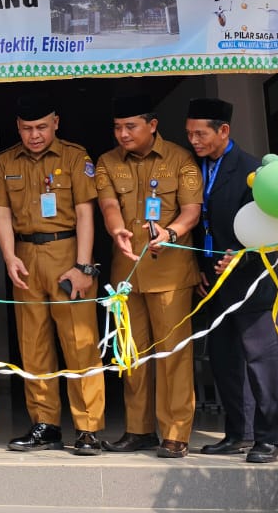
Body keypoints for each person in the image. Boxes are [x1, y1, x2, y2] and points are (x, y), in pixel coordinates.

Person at [0, 95, 106, 456]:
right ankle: (45, 424)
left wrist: (84, 266)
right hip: (26, 258)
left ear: (55, 122)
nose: (34, 135)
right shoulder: (7, 159)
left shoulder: (74, 156)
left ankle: (87, 427)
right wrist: (9, 257)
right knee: (33, 344)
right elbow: (2, 214)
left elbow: (87, 213)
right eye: (27, 129)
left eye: (41, 127)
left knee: (80, 344)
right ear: (18, 129)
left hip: (67, 254)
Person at [95, 94, 202, 459]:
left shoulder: (180, 159)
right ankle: (139, 430)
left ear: (152, 125)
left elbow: (191, 211)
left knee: (173, 354)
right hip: (127, 274)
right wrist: (115, 231)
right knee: (132, 355)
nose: (122, 134)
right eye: (117, 128)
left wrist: (171, 233)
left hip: (170, 272)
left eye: (130, 127)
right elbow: (109, 204)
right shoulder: (108, 162)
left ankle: (175, 432)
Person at [185, 98, 278, 464]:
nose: (194, 140)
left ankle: (272, 437)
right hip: (214, 279)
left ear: (224, 131)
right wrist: (200, 264)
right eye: (190, 134)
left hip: (252, 277)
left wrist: (242, 257)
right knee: (225, 357)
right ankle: (238, 432)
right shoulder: (194, 169)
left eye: (201, 134)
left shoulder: (253, 171)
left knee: (262, 358)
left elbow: (275, 227)